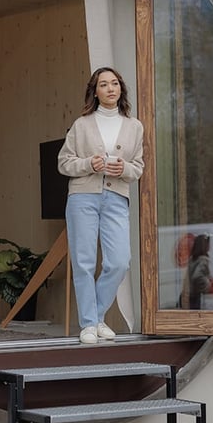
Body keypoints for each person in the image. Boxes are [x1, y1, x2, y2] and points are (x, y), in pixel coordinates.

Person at [57, 67, 144, 344]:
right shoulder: (82, 124)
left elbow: (138, 168)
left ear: (121, 88)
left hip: (117, 197)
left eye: (114, 83)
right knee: (83, 262)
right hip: (82, 196)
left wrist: (124, 169)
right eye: (104, 84)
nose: (110, 88)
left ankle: (96, 317)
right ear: (95, 91)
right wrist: (87, 164)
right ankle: (89, 325)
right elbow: (63, 162)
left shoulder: (134, 126)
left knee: (119, 261)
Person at [184, 233, 212, 310]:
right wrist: (207, 283)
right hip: (195, 295)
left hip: (189, 294)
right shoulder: (203, 260)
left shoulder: (193, 259)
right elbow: (197, 276)